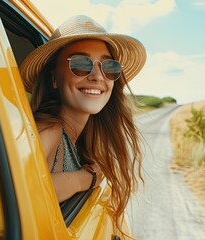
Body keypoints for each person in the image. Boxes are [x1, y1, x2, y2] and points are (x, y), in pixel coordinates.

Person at [19, 15, 146, 232]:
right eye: (80, 64)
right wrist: (87, 178)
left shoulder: (87, 137)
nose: (98, 76)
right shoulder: (48, 130)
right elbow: (23, 195)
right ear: (54, 79)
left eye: (109, 67)